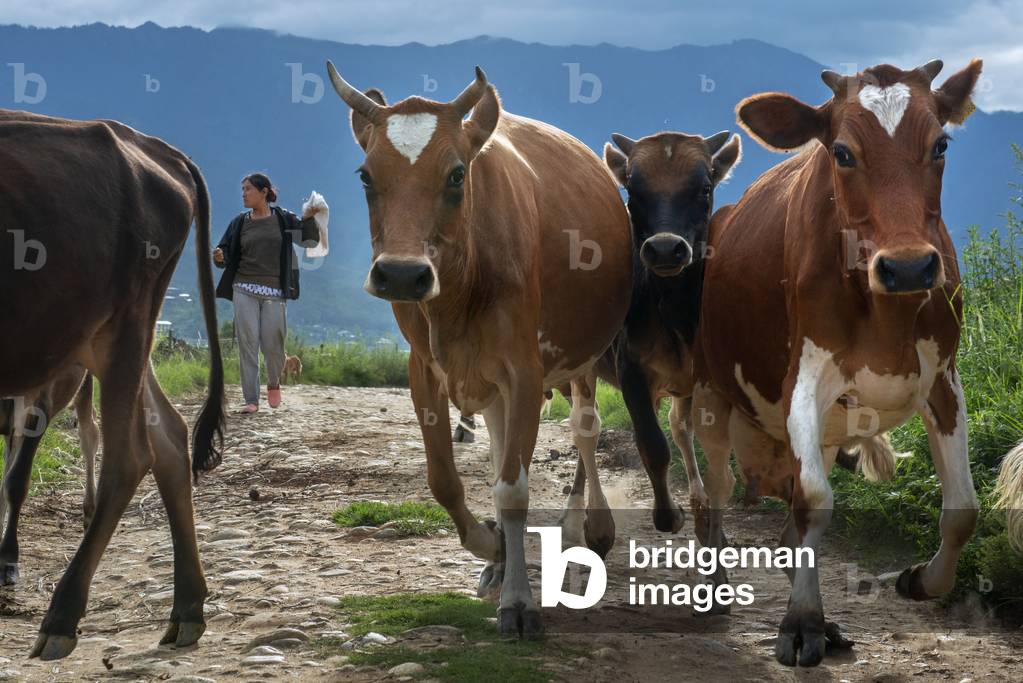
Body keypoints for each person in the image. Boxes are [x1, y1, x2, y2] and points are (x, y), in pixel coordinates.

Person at [213, 173, 321, 413]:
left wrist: (309, 218)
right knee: (248, 344)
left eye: (248, 189)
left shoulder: (283, 219)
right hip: (243, 289)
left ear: (264, 192)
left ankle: (273, 382)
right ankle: (251, 400)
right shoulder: (239, 223)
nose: (243, 194)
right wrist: (219, 256)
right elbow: (224, 252)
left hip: (275, 292)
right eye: (242, 189)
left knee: (274, 346)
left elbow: (309, 241)